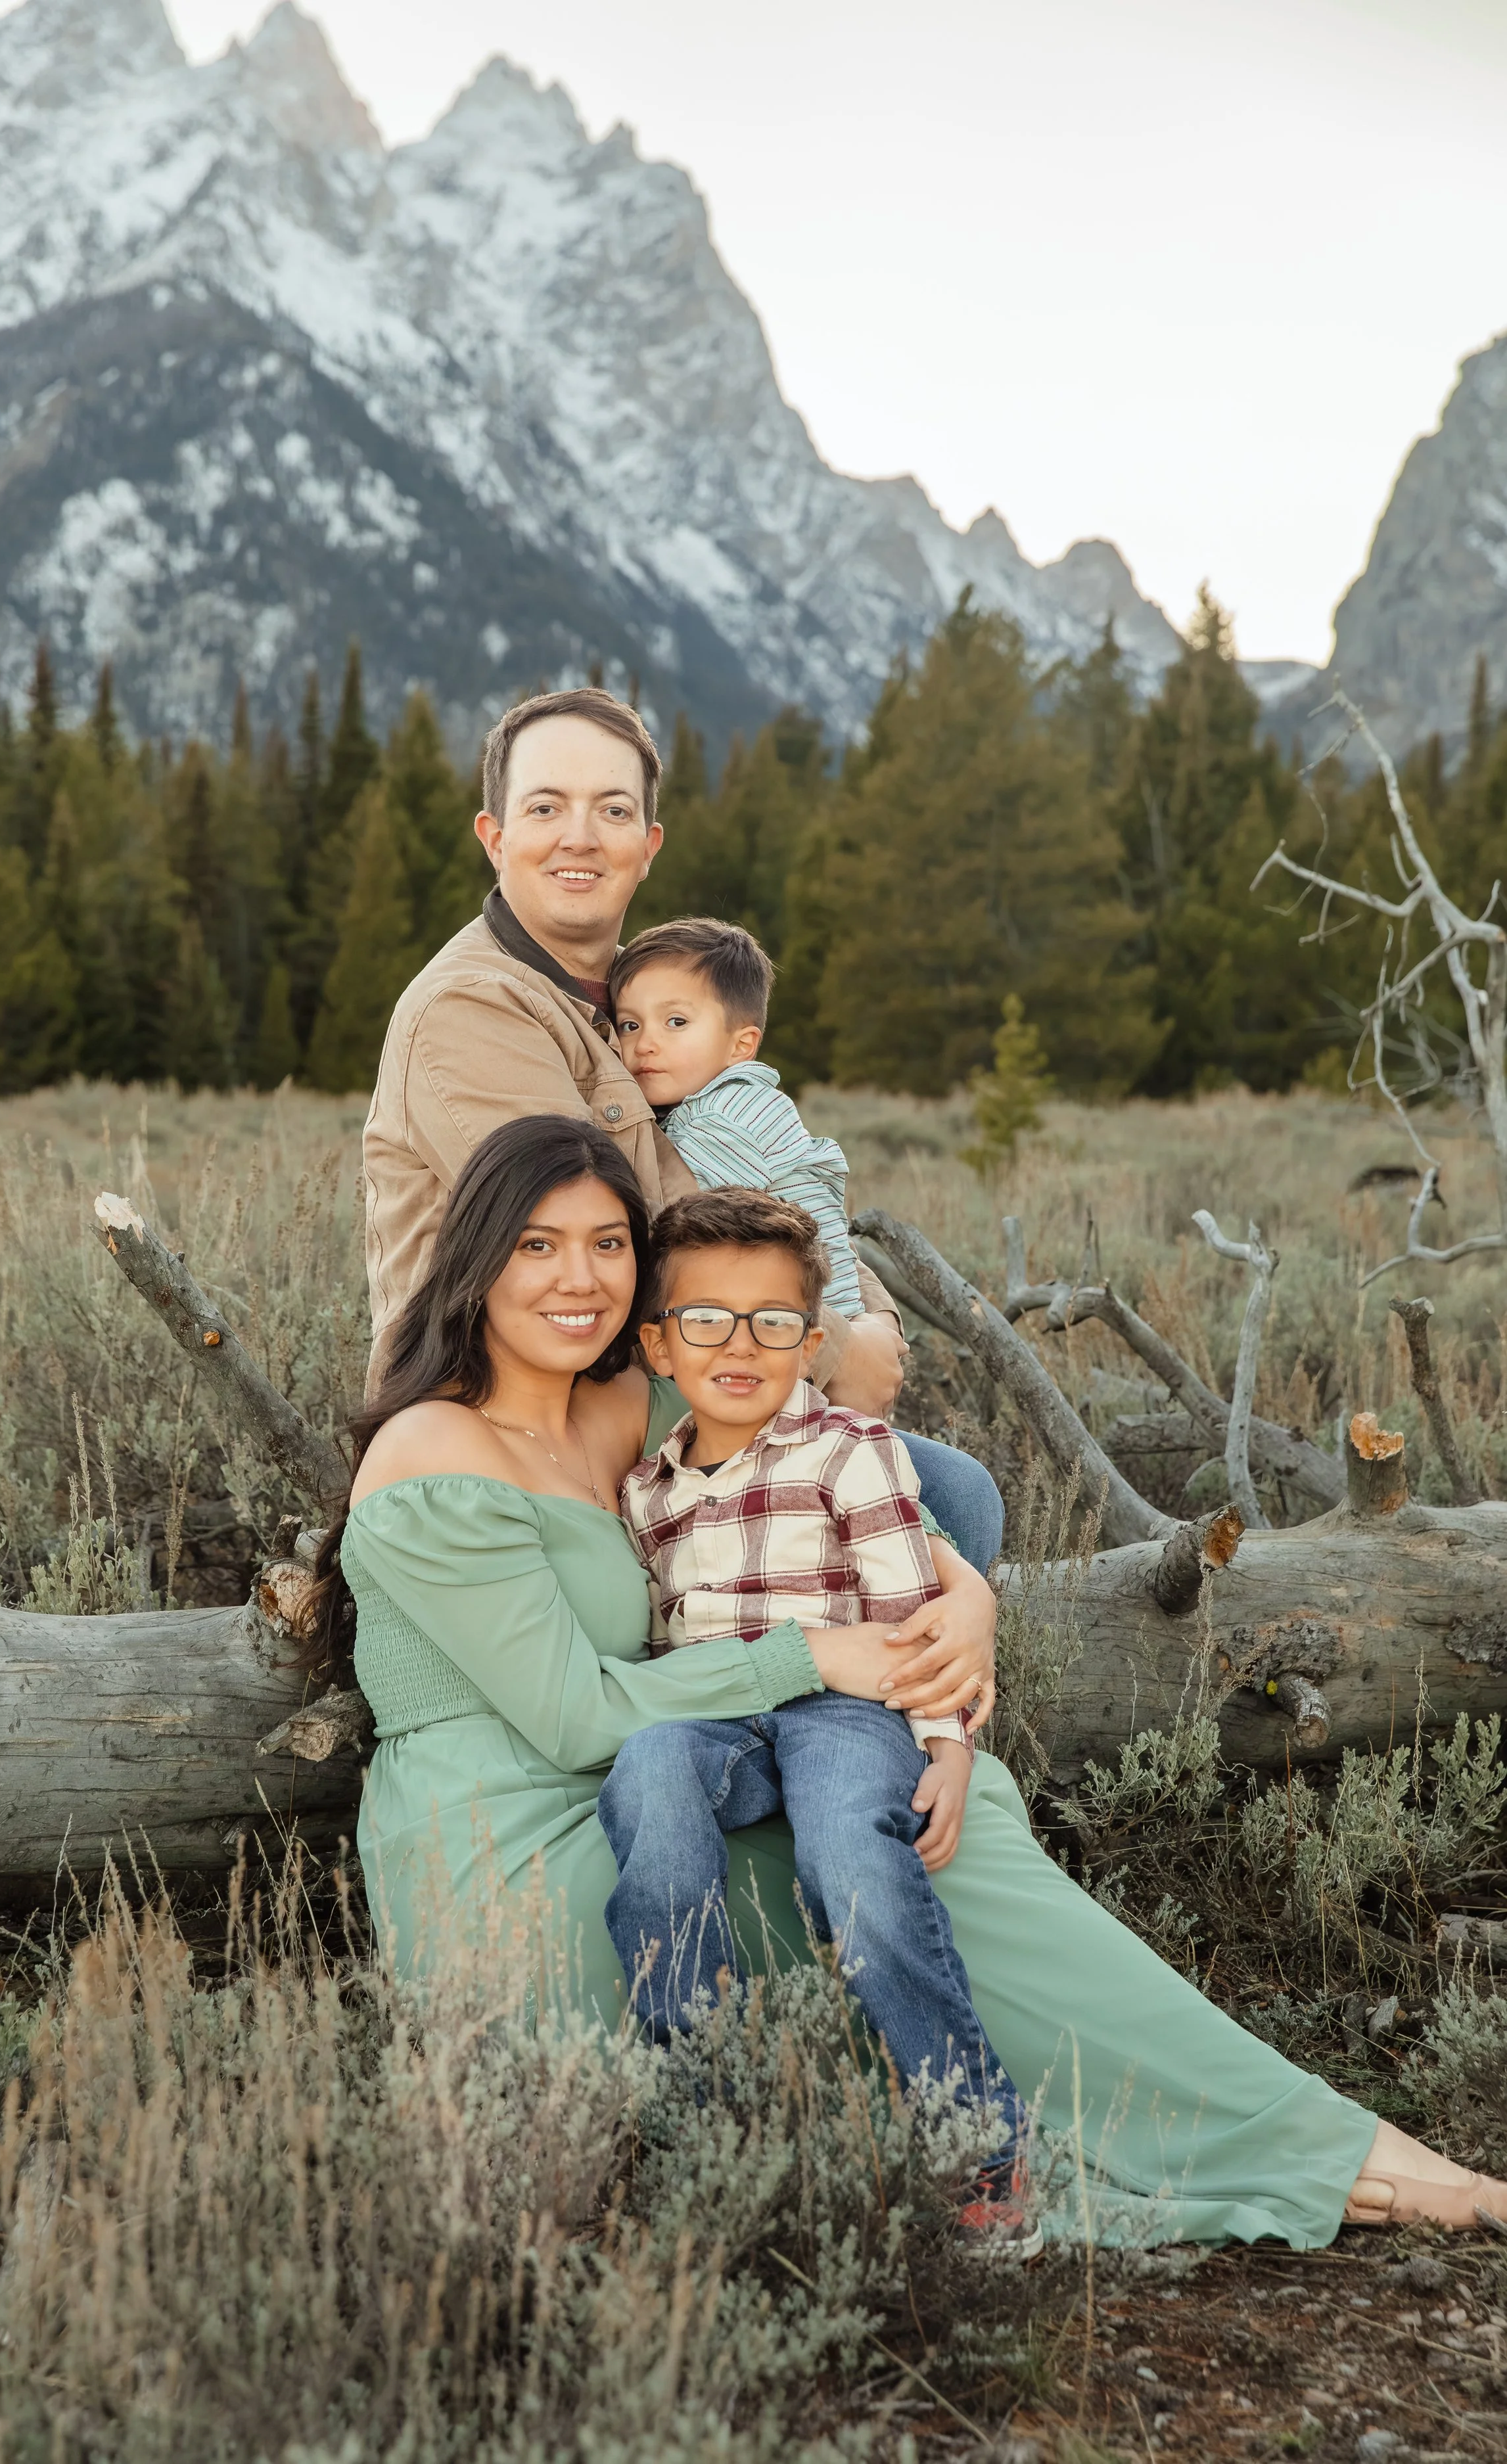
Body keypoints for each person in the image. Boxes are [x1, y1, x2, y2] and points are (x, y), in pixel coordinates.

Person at [306, 1112, 1507, 2248]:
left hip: (667, 1759)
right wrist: (816, 1655)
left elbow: (828, 1478)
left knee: (943, 1822)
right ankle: (1109, 2153)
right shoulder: (432, 1455)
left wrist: (963, 1594)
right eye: (537, 1246)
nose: (580, 1280)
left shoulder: (621, 1397)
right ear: (473, 1263)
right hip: (516, 1837)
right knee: (901, 1849)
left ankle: (1278, 2138)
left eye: (609, 1245)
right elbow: (571, 1715)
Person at [359, 683, 1002, 1574]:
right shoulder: (474, 1009)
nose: (580, 836)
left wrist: (863, 1320)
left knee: (945, 1499)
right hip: (515, 1427)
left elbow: (781, 1169)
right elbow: (611, 1236)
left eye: (612, 810)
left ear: (647, 846)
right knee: (945, 1502)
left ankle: (860, 1698)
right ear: (495, 835)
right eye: (546, 807)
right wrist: (826, 1341)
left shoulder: (642, 1003)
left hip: (660, 1386)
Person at [599, 1186, 1034, 2254]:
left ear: (811, 1338)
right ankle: (705, 2116)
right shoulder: (644, 1492)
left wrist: (950, 1749)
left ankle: (977, 2138)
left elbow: (910, 1613)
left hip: (846, 1704)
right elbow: (662, 1647)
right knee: (651, 1777)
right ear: (658, 1344)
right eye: (705, 1320)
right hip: (721, 1715)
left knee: (851, 1851)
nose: (738, 1346)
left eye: (773, 1323)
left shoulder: (853, 1453)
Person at [608, 916, 862, 1317]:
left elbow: (669, 1224)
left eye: (676, 1022)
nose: (645, 1044)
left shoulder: (725, 1117)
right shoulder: (731, 1101)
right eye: (629, 1025)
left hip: (801, 1325)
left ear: (741, 1045)